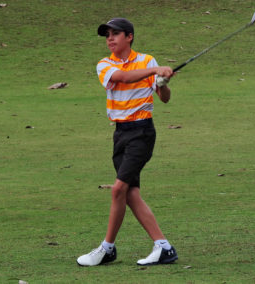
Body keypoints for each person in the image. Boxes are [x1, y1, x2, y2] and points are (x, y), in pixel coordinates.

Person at [77, 18, 178, 266]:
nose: (110, 39)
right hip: (120, 133)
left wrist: (163, 84)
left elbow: (164, 98)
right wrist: (156, 71)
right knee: (131, 193)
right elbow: (123, 77)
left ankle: (107, 248)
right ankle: (163, 247)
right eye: (107, 35)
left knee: (119, 189)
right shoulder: (105, 64)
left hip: (142, 132)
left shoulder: (146, 60)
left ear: (129, 37)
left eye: (115, 34)